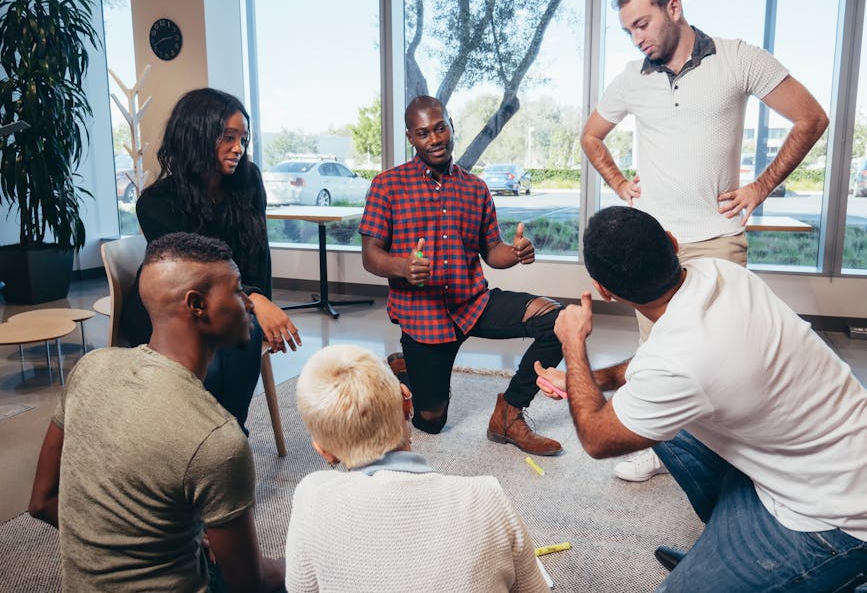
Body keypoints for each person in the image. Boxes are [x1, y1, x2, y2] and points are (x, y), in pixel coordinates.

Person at [534, 206, 867, 592]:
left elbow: (597, 437)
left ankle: (795, 570)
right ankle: (725, 548)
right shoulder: (720, 273)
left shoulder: (679, 360)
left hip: (835, 516)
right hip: (831, 454)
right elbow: (658, 368)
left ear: (604, 290)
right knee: (663, 421)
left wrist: (573, 344)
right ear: (673, 244)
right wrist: (585, 381)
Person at [579, 0, 829, 481]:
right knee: (655, 355)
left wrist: (761, 186)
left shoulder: (738, 58)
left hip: (718, 239)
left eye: (642, 24)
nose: (637, 38)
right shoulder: (632, 79)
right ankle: (661, 448)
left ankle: (733, 451)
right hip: (654, 244)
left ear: (674, 8)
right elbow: (591, 137)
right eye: (628, 31)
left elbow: (811, 118)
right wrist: (620, 184)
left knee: (724, 356)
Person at [28, 232, 285, 592]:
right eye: (238, 290)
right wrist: (301, 562)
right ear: (197, 305)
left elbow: (41, 503)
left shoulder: (90, 368)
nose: (248, 303)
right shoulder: (216, 439)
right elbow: (247, 583)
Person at [359, 95, 563, 456]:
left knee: (559, 322)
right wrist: (403, 267)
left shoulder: (475, 188)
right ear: (411, 137)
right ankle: (406, 368)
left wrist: (515, 253)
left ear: (451, 127)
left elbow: (492, 250)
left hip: (473, 303)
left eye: (440, 128)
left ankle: (509, 413)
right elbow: (370, 255)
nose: (435, 139)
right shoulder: (387, 185)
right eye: (423, 133)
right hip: (424, 317)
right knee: (431, 421)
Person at [284, 344, 549, 592]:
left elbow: (300, 588)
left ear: (323, 449)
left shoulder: (312, 496)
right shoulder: (486, 496)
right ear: (406, 401)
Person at [121, 87, 301, 433]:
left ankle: (229, 435)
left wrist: (259, 299)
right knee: (212, 360)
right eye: (228, 137)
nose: (238, 148)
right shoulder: (155, 203)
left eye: (243, 139)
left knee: (240, 330)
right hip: (173, 307)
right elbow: (193, 276)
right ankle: (208, 438)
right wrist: (255, 299)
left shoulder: (249, 182)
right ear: (197, 135)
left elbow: (258, 255)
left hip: (232, 298)